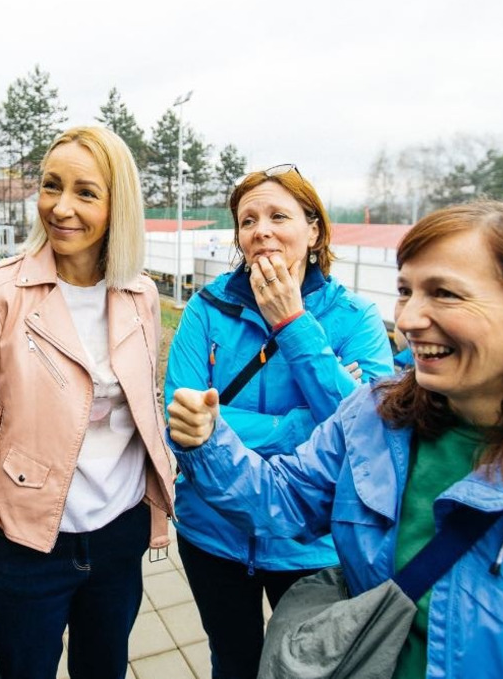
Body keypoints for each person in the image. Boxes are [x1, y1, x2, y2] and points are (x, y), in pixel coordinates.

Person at [168, 201, 503, 678]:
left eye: (444, 293)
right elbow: (281, 499)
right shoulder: (379, 416)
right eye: (405, 291)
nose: (409, 319)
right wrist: (211, 440)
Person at [0, 126, 175, 678]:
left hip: (119, 538)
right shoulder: (0, 292)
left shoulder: (140, 294)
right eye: (51, 186)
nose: (61, 207)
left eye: (86, 192)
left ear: (118, 205)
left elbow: (144, 405)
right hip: (28, 546)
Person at [165, 163, 394, 678]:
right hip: (213, 533)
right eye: (248, 220)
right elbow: (179, 415)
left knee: (312, 668)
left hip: (312, 547)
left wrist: (294, 325)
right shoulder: (207, 308)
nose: (260, 229)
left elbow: (369, 433)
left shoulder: (355, 319)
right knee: (234, 661)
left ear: (313, 231)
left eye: (277, 216)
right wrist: (301, 428)